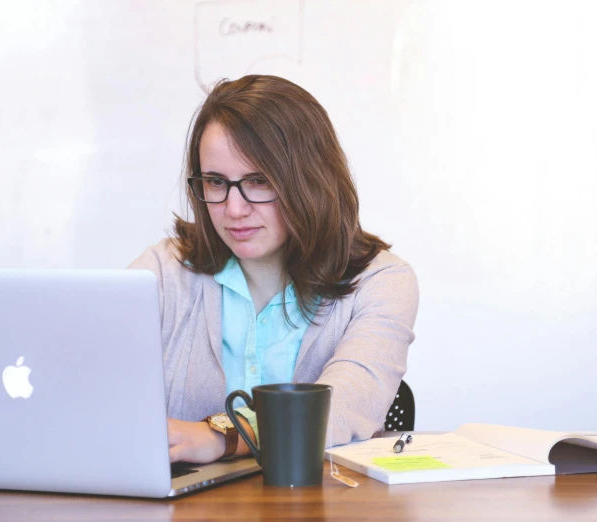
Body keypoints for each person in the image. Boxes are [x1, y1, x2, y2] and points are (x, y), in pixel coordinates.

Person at [128, 75, 419, 464]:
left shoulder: (382, 283)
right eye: (216, 182)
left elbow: (347, 403)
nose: (234, 209)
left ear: (309, 180)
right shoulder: (163, 272)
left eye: (258, 180)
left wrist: (222, 436)